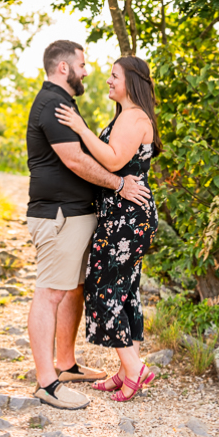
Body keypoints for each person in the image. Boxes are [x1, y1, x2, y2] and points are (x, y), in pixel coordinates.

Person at [24, 40, 151, 410]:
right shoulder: (52, 105)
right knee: (50, 292)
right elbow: (76, 161)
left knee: (77, 289)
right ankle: (47, 383)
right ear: (64, 68)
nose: (88, 71)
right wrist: (118, 185)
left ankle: (66, 365)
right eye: (83, 64)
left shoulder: (67, 105)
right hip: (60, 215)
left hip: (82, 214)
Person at [56, 55, 161, 402]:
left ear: (131, 80)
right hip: (122, 215)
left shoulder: (134, 117)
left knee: (103, 288)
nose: (108, 81)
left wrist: (80, 126)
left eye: (114, 76)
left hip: (126, 219)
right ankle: (125, 369)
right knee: (122, 289)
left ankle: (135, 370)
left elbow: (114, 159)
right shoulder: (126, 116)